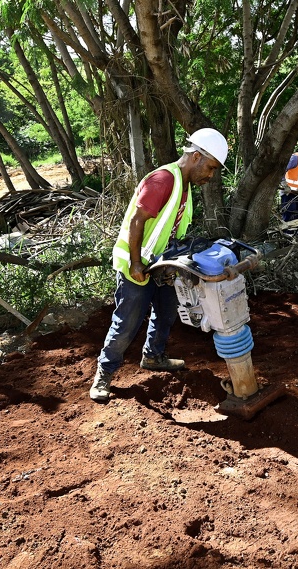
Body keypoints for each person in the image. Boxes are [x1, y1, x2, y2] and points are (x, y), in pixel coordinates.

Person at [90, 128, 229, 403]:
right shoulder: (163, 180)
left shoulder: (183, 186)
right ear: (196, 157)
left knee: (166, 312)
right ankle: (104, 373)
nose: (211, 175)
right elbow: (137, 220)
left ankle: (153, 356)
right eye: (211, 167)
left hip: (160, 265)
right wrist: (135, 262)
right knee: (127, 323)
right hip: (138, 266)